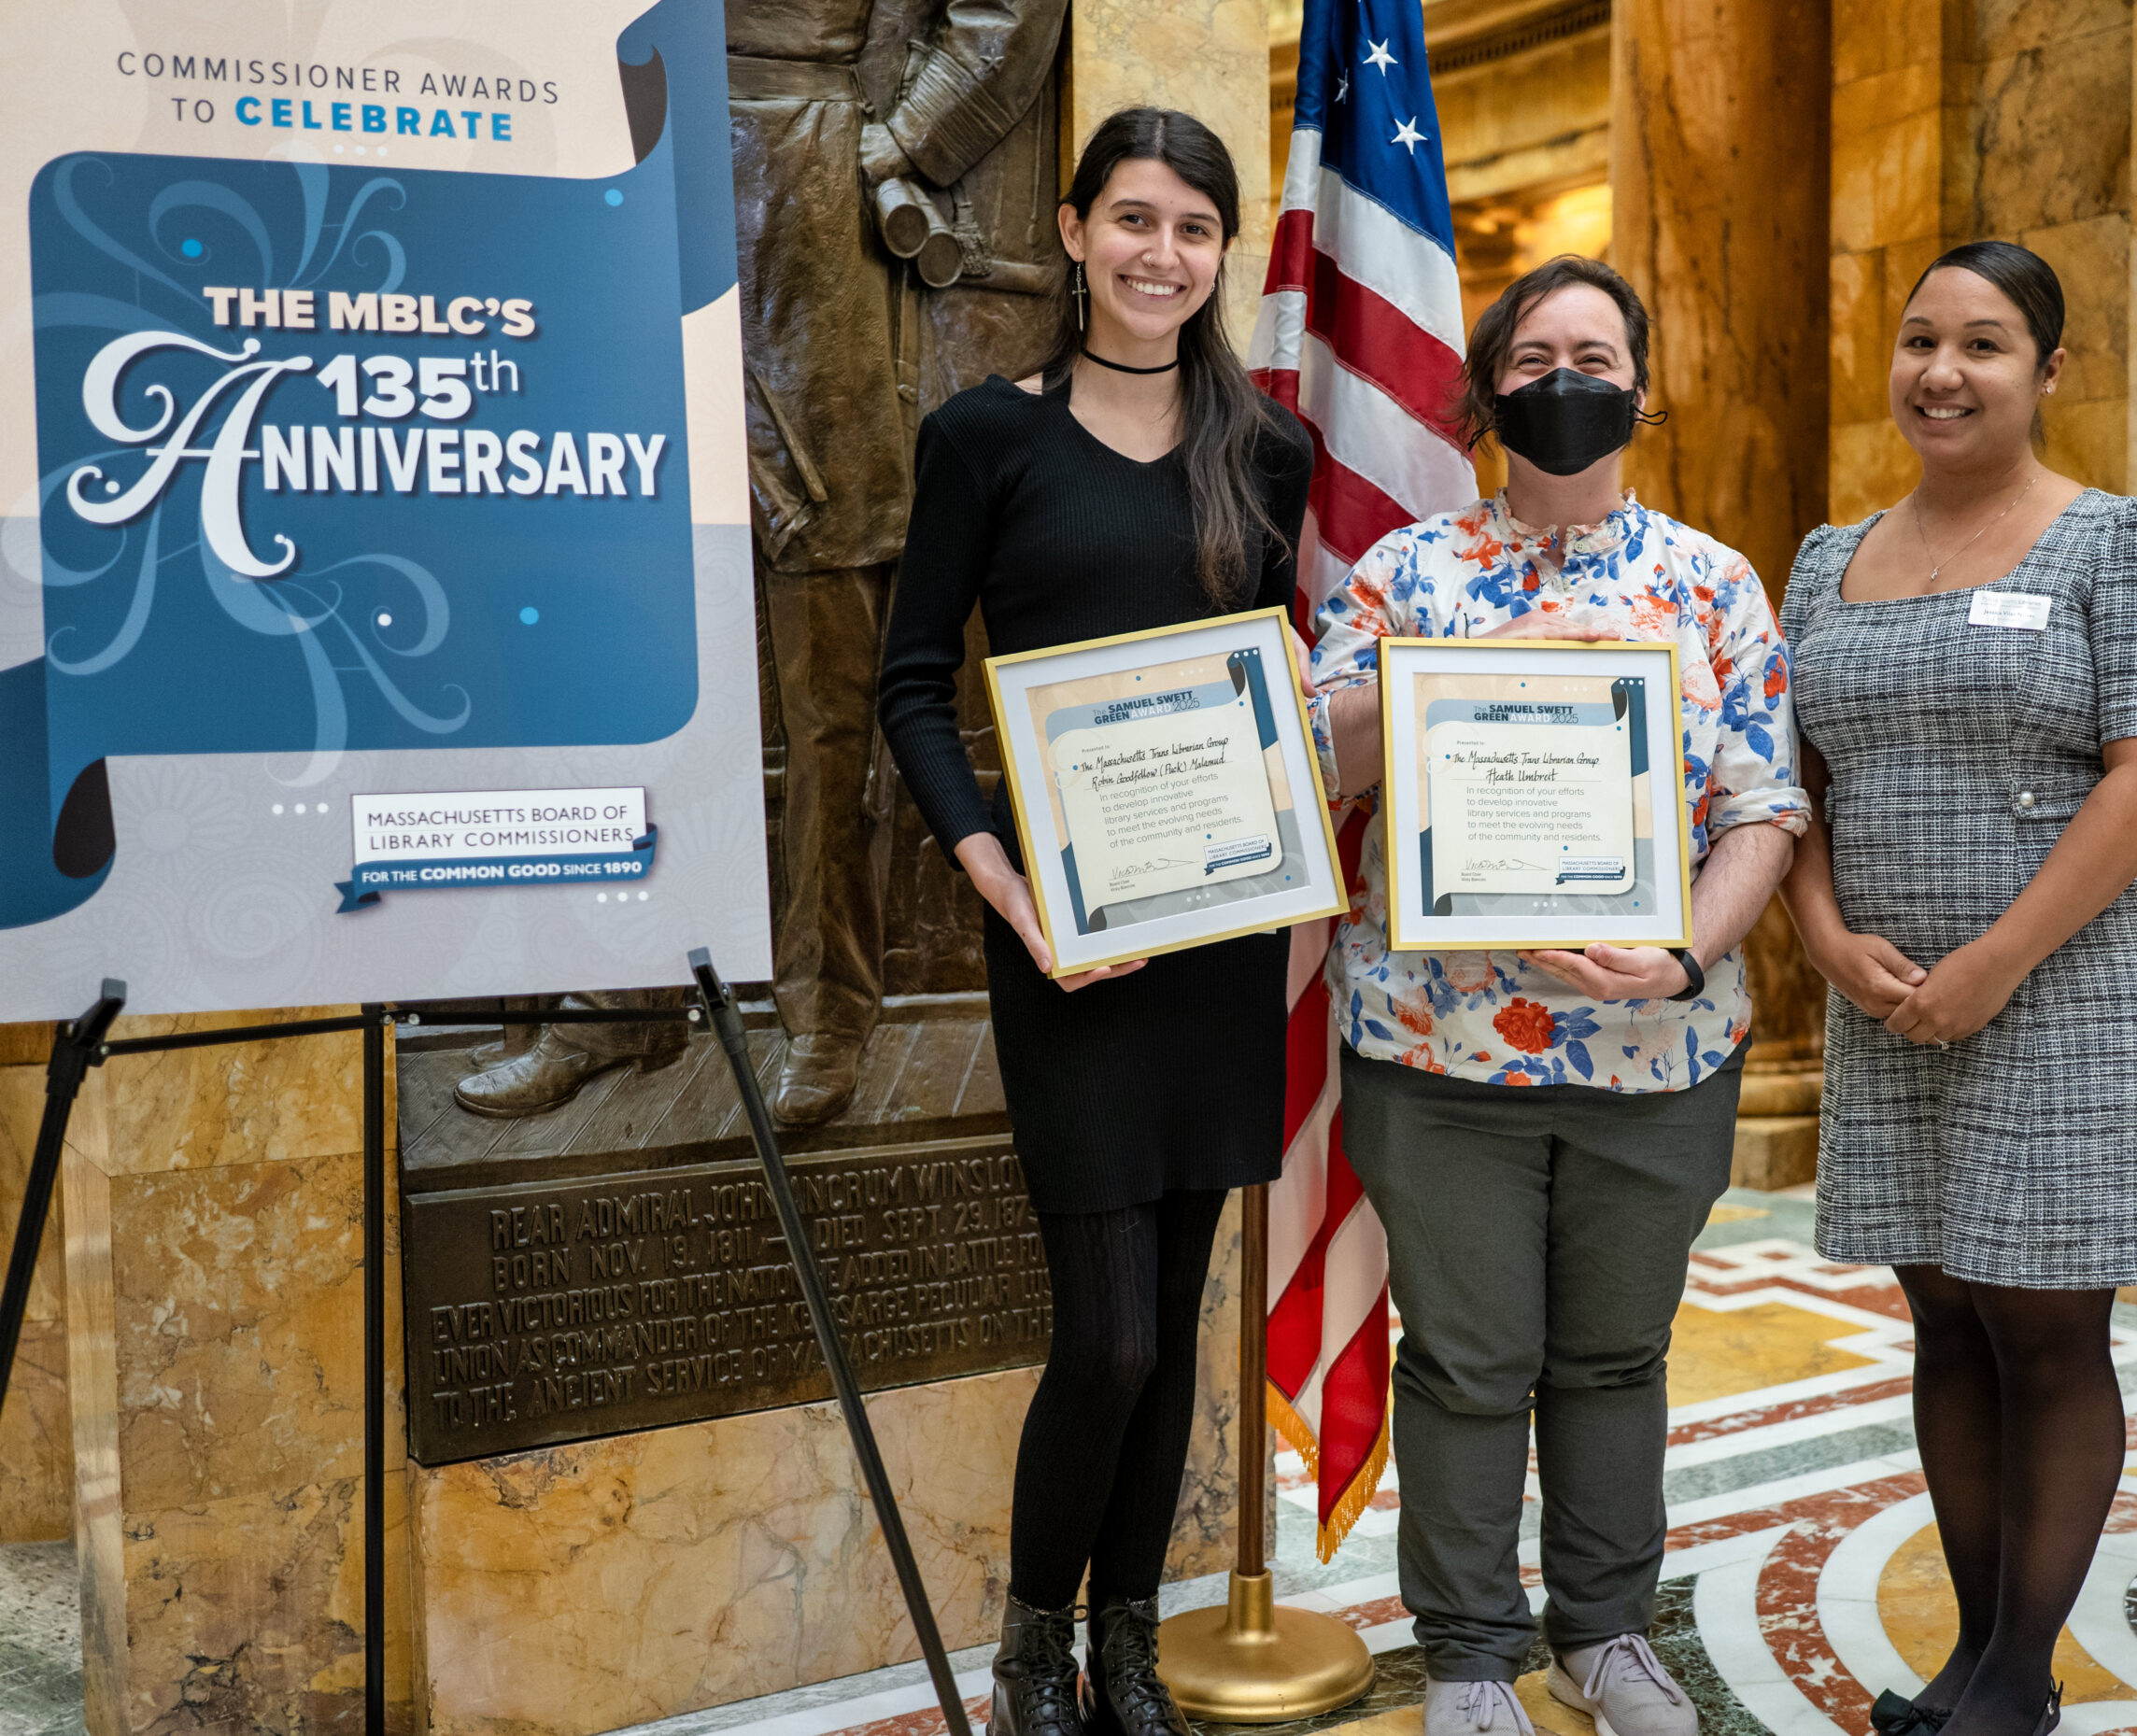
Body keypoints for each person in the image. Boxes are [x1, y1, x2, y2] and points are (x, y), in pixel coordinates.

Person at [1306, 256, 1808, 1736]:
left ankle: (1605, 1633)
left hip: (1658, 1049)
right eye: (1535, 356)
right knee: (1466, 1359)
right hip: (1436, 1044)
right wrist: (1457, 668)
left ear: (1642, 389)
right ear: (1488, 387)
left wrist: (1687, 949)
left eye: (1597, 353)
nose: (1566, 379)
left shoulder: (1712, 581)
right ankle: (1468, 1650)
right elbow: (1322, 762)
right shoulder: (1407, 572)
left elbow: (1764, 809)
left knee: (1613, 1355)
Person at [877, 107, 1312, 1736]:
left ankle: (1130, 1644)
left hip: (1216, 939)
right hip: (1063, 941)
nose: (1160, 255)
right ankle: (1028, 1647)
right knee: (1111, 1336)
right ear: (1072, 233)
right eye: (1132, 219)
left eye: (1194, 229)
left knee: (1180, 1315)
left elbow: (1263, 695)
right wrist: (1004, 881)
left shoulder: (1266, 450)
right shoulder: (984, 437)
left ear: (1220, 255)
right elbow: (914, 683)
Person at [451, 0, 1068, 1125]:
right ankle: (613, 995)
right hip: (591, 140)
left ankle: (827, 1013)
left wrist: (891, 141)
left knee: (827, 646)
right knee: (604, 601)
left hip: (802, 180)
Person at [1776, 240, 2137, 1736]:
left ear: (2048, 370)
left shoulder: (2125, 540)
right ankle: (1973, 1654)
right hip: (1889, 1002)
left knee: (2043, 1326)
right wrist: (1826, 937)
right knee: (1944, 1317)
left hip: (2064, 994)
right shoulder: (1826, 559)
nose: (1942, 372)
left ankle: (2018, 1680)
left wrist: (1995, 960)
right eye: (1917, 341)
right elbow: (1790, 783)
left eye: (1982, 344)